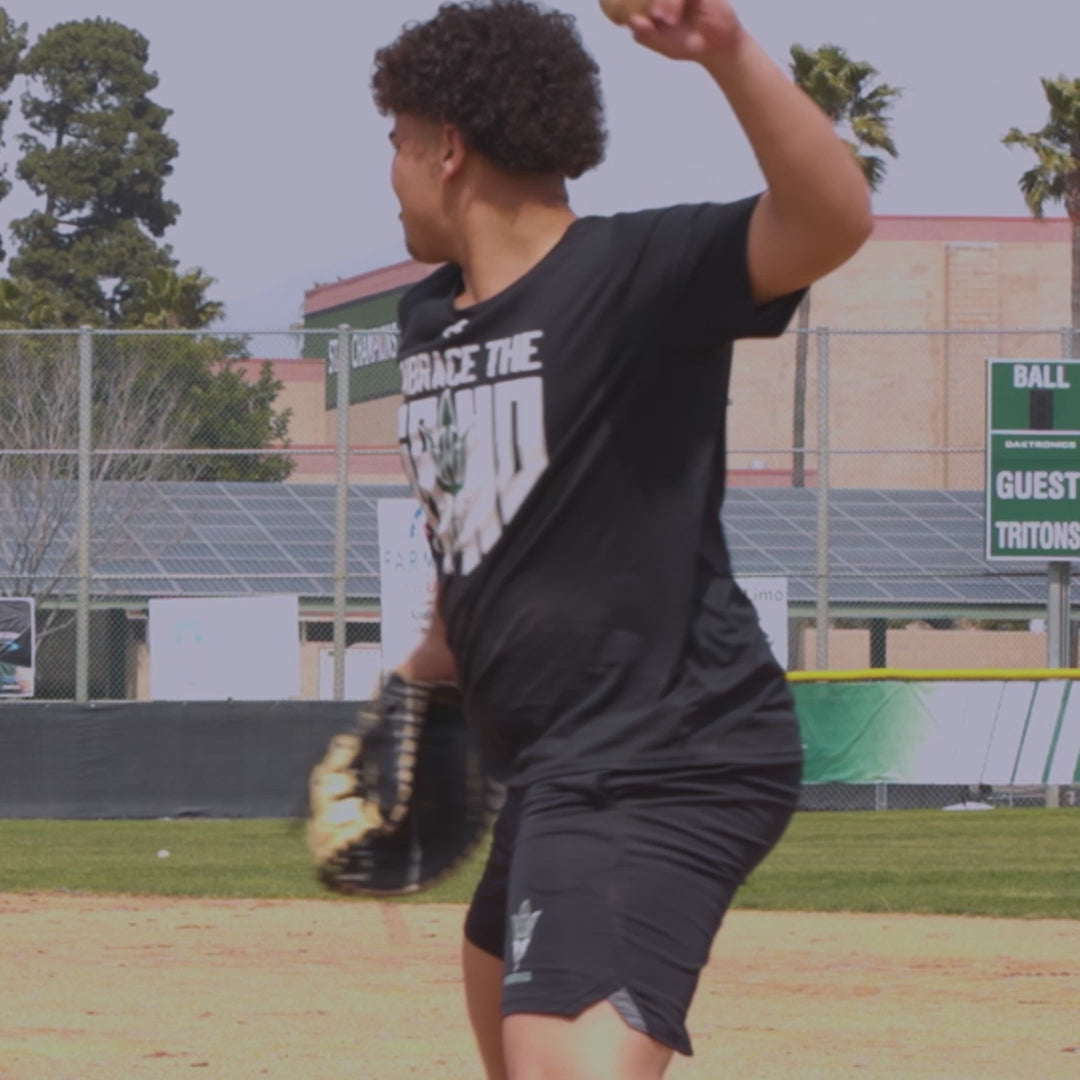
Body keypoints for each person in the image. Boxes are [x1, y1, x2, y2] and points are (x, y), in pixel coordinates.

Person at [371, 1, 872, 1077]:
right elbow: (474, 513)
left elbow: (832, 223)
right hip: (559, 765)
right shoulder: (429, 321)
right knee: (500, 1002)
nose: (390, 170)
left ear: (448, 147)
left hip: (666, 749)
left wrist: (725, 51)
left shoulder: (638, 272)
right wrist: (434, 662)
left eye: (397, 139)